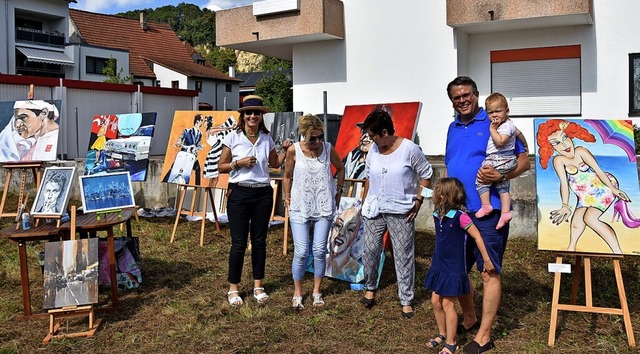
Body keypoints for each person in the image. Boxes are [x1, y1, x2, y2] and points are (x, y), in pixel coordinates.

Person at [444, 76, 530, 354]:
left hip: (488, 211)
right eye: (457, 97)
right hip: (457, 211)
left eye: (467, 95)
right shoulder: (452, 127)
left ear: (476, 95)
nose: (462, 100)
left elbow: (525, 161)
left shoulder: (495, 121)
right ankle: (469, 318)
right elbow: (450, 166)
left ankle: (484, 336)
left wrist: (503, 173)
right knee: (458, 270)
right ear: (452, 101)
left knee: (487, 270)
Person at [359, 107, 433, 319]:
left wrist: (420, 200)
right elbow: (368, 178)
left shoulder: (410, 149)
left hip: (401, 210)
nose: (370, 140)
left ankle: (407, 299)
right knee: (370, 251)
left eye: (373, 136)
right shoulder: (373, 150)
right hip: (374, 209)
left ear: (384, 132)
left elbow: (427, 175)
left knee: (403, 255)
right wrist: (364, 202)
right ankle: (370, 287)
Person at [218, 95, 291, 306]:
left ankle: (258, 285)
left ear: (261, 116)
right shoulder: (233, 136)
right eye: (248, 112)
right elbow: (221, 166)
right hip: (239, 193)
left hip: (262, 194)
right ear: (242, 115)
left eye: (256, 113)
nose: (252, 116)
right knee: (239, 243)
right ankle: (234, 288)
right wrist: (237, 163)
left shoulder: (266, 139)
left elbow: (275, 163)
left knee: (260, 242)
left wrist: (284, 150)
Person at [536, 119, 633, 253]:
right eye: (556, 143)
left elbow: (598, 171)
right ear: (550, 147)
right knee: (576, 223)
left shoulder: (581, 151)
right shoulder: (559, 160)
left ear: (571, 136)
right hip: (584, 196)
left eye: (565, 138)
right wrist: (565, 205)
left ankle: (617, 252)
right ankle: (571, 249)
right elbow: (564, 184)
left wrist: (613, 189)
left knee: (590, 219)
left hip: (602, 188)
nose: (564, 144)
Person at [424, 177, 495, 354]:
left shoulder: (460, 217)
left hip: (454, 268)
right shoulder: (437, 215)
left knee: (448, 305)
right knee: (435, 301)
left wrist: (486, 259)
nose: (433, 194)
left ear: (443, 196)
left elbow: (477, 237)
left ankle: (451, 343)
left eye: (436, 191)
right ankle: (442, 333)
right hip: (439, 264)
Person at [282, 113, 345, 309]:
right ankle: (298, 292)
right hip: (300, 205)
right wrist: (287, 196)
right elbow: (286, 176)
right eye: (313, 138)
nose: (317, 141)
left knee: (319, 250)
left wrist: (338, 191)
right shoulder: (293, 151)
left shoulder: (328, 148)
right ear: (304, 135)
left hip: (324, 205)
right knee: (301, 251)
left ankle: (317, 291)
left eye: (320, 137)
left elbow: (341, 168)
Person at [474, 93, 529, 229]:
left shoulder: (504, 127)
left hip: (500, 158)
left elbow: (500, 142)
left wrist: (492, 129)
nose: (494, 115)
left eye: (498, 111)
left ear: (507, 111)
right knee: (502, 187)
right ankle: (505, 213)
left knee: (481, 179)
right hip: (505, 160)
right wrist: (526, 145)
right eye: (490, 112)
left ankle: (486, 205)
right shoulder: (510, 125)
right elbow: (519, 133)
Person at [162, 113, 204, 185]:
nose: (202, 122)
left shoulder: (200, 133)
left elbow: (198, 144)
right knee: (173, 168)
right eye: (202, 120)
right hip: (184, 153)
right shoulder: (187, 131)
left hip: (192, 156)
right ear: (197, 121)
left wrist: (199, 147)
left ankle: (198, 187)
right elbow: (180, 139)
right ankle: (164, 181)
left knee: (198, 169)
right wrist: (179, 143)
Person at [203, 115, 236, 187]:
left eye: (205, 121)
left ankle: (211, 191)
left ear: (208, 122)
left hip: (215, 152)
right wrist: (231, 127)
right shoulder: (210, 130)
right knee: (214, 176)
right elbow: (221, 129)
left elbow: (221, 128)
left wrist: (230, 127)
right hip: (214, 153)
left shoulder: (211, 129)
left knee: (214, 176)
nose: (204, 123)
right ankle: (210, 191)